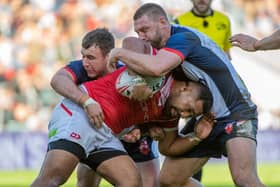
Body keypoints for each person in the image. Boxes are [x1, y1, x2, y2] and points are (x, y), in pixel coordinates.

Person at [108, 3, 266, 187]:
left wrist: (119, 53)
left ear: (162, 22)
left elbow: (157, 67)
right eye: (138, 32)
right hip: (206, 117)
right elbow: (134, 45)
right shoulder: (165, 50)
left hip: (235, 112)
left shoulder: (183, 39)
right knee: (168, 180)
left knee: (244, 179)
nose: (141, 36)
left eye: (145, 29)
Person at [30, 37, 215, 187]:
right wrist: (137, 78)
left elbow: (167, 147)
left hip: (106, 133)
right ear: (186, 90)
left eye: (189, 115)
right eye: (188, 109)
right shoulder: (160, 70)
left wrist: (196, 137)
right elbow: (132, 42)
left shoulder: (169, 113)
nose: (184, 115)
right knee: (53, 179)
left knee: (131, 182)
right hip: (80, 115)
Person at [50, 28, 160, 187]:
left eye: (91, 57)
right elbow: (58, 80)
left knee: (146, 184)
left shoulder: (130, 71)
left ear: (109, 57)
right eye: (83, 56)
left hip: (132, 135)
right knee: (83, 182)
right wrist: (86, 101)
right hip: (98, 131)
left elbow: (149, 99)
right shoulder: (83, 68)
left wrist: (141, 128)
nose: (85, 62)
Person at [174, 0, 232, 180]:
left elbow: (227, 58)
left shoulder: (224, 21)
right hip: (192, 93)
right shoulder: (179, 21)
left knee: (229, 142)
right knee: (188, 141)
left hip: (219, 93)